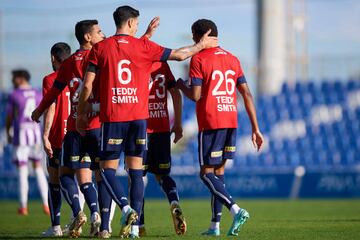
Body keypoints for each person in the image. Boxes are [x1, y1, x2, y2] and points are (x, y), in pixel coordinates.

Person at [76, 5, 217, 238]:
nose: (137, 27)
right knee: (135, 172)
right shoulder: (144, 47)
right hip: (140, 120)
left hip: (114, 117)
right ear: (131, 23)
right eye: (137, 24)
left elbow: (87, 85)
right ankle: (134, 229)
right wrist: (201, 45)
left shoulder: (101, 47)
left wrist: (81, 115)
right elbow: (180, 55)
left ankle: (126, 210)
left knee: (106, 169)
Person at [176, 19, 264, 236]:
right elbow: (246, 94)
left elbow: (196, 96)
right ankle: (215, 226)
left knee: (206, 174)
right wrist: (256, 128)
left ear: (201, 35)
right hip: (231, 120)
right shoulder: (233, 59)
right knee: (219, 172)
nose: (194, 40)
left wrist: (180, 85)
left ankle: (236, 209)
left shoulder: (198, 59)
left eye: (194, 36)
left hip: (211, 121)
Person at [31, 20, 107, 238]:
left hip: (68, 133)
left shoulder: (61, 70)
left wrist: (41, 121)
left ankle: (70, 217)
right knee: (93, 177)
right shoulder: (100, 59)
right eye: (99, 31)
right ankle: (99, 219)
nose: (102, 34)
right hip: (95, 127)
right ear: (88, 37)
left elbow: (51, 101)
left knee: (61, 177)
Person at [139, 61, 186, 236]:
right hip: (162, 128)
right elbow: (176, 93)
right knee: (162, 175)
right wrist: (178, 124)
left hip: (141, 128)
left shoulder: (137, 61)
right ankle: (174, 201)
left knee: (136, 177)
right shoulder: (162, 65)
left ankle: (140, 225)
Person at [5, 69, 49, 216]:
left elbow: (10, 117)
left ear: (21, 78)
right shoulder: (37, 93)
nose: (12, 81)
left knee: (22, 170)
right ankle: (46, 203)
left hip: (21, 133)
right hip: (35, 132)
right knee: (38, 168)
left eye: (14, 78)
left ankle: (23, 206)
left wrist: (8, 132)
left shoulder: (14, 94)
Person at [41, 42, 72, 237]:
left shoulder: (50, 79)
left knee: (54, 181)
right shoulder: (79, 77)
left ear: (53, 57)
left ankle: (56, 227)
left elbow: (50, 106)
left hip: (58, 138)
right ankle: (98, 220)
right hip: (79, 136)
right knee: (85, 181)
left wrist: (45, 135)